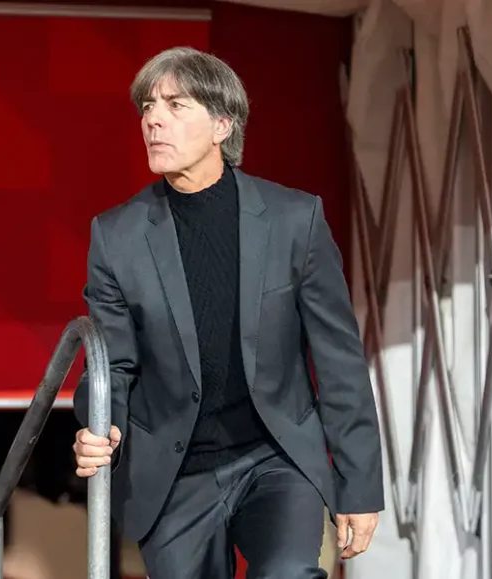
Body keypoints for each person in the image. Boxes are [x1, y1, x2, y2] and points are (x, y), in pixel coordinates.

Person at [71, 47, 384, 579]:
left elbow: (339, 362)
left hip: (275, 455)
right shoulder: (116, 235)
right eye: (147, 106)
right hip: (175, 474)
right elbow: (112, 366)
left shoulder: (294, 219)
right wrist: (100, 425)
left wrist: (359, 486)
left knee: (288, 573)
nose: (153, 119)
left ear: (222, 124)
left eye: (174, 104)